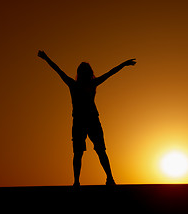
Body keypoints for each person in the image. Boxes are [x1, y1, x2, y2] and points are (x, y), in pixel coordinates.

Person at [38, 50, 136, 186]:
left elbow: (110, 73)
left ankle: (106, 178)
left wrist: (124, 64)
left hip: (89, 121)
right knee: (84, 152)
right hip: (83, 121)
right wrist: (46, 58)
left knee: (95, 151)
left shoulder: (83, 84)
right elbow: (58, 70)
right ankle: (83, 181)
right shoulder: (77, 84)